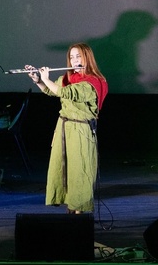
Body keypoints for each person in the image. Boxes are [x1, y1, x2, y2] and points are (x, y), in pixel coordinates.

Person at [25, 43, 108, 214]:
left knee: (79, 171)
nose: (75, 60)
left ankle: (79, 212)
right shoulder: (69, 77)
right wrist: (38, 80)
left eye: (78, 56)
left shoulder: (93, 82)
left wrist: (46, 78)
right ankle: (70, 209)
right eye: (72, 57)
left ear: (87, 58)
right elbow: (51, 91)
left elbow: (66, 93)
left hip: (80, 131)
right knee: (62, 168)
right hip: (64, 128)